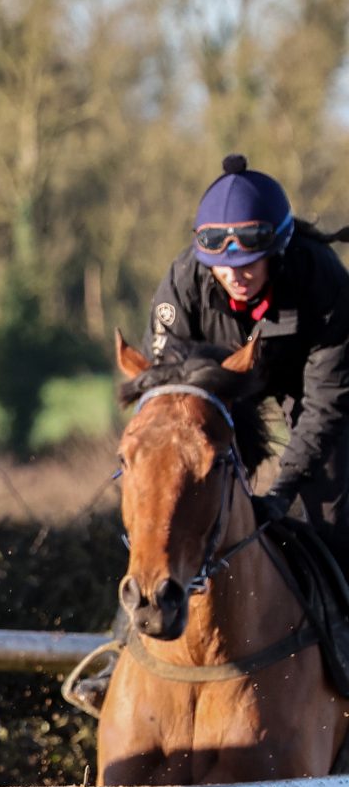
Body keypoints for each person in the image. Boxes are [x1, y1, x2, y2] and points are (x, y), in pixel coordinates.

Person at [148, 154, 349, 540]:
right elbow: (166, 389)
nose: (235, 276)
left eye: (250, 264)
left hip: (306, 383)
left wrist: (281, 489)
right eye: (222, 266)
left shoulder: (326, 282)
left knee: (331, 508)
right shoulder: (182, 284)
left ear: (277, 252)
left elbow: (326, 404)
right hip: (220, 381)